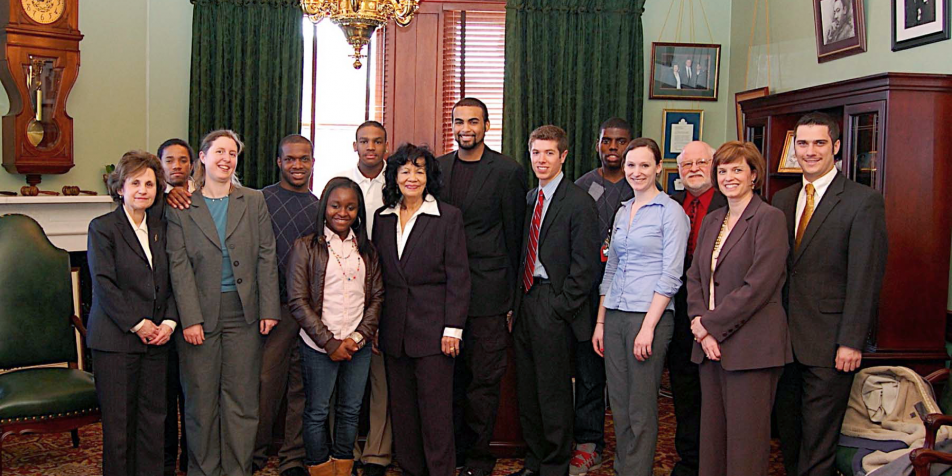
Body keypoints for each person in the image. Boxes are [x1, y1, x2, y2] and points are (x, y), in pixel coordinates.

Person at [773, 112, 888, 476]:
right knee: (788, 434)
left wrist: (852, 342)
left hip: (830, 344)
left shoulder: (861, 201)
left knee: (818, 442)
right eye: (802, 143)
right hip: (782, 342)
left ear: (836, 147)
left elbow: (865, 277)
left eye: (819, 143)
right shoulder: (781, 199)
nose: (810, 151)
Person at [166, 129, 281, 476]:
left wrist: (269, 309)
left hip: (244, 314)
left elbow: (266, 254)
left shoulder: (254, 200)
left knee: (242, 401)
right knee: (201, 403)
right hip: (199, 316)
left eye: (232, 153)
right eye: (219, 151)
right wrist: (189, 318)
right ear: (202, 157)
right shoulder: (182, 205)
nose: (226, 159)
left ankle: (237, 470)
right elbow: (178, 265)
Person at [686, 141, 791, 476]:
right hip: (709, 347)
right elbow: (695, 277)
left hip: (752, 349)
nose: (728, 177)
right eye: (722, 170)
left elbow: (758, 287)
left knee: (746, 446)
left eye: (737, 170)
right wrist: (700, 327)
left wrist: (710, 326)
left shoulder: (769, 218)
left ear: (754, 176)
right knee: (713, 441)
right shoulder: (714, 219)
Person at [437, 98, 527, 476]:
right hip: (443, 292)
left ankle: (478, 458)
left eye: (473, 121)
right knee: (448, 380)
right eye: (459, 121)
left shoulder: (507, 171)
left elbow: (515, 238)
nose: (465, 128)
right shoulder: (438, 169)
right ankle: (452, 453)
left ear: (487, 125)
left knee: (483, 381)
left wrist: (510, 299)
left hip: (488, 294)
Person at [591, 138, 689, 476]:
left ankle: (636, 471)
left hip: (650, 317)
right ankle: (623, 469)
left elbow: (671, 275)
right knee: (618, 403)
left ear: (659, 167)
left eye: (645, 165)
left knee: (641, 406)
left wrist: (648, 327)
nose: (636, 172)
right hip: (616, 314)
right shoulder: (622, 210)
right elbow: (612, 267)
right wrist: (601, 322)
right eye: (631, 165)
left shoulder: (671, 212)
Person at [372, 144, 471, 476]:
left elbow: (459, 277)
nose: (411, 177)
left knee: (436, 413)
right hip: (393, 331)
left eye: (419, 170)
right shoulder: (381, 218)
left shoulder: (447, 217)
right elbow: (378, 277)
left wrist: (453, 328)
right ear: (394, 176)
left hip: (435, 332)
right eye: (405, 170)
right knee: (403, 413)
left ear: (429, 177)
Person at [509, 125, 599, 476]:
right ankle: (534, 462)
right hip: (527, 301)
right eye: (535, 152)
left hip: (555, 304)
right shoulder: (531, 198)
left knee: (553, 392)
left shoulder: (579, 201)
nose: (541, 160)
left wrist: (562, 308)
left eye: (549, 153)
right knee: (528, 390)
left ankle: (554, 467)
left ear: (563, 156)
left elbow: (586, 266)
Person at [87, 150, 177, 476]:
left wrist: (168, 322)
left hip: (157, 340)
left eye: (150, 183)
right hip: (116, 341)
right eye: (135, 182)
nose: (143, 189)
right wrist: (139, 325)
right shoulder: (103, 228)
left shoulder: (163, 228)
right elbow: (104, 285)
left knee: (154, 422)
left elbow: (174, 280)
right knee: (120, 426)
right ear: (120, 187)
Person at [288, 177, 385, 476]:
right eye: (335, 205)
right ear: (324, 208)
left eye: (350, 207)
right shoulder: (305, 246)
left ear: (358, 212)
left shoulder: (367, 250)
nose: (342, 212)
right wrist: (330, 343)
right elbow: (297, 300)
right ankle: (319, 467)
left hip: (358, 344)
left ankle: (343, 466)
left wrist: (357, 338)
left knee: (350, 410)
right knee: (317, 412)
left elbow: (377, 298)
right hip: (318, 345)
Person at [253, 134, 320, 476]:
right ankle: (254, 453)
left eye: (303, 159)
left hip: (307, 312)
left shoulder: (319, 206)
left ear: (312, 162)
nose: (297, 165)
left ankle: (292, 458)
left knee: (302, 386)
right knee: (266, 383)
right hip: (271, 309)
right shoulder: (258, 200)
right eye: (290, 159)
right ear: (279, 162)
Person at [570, 117, 634, 475]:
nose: (612, 147)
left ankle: (630, 447)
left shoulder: (638, 184)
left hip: (632, 297)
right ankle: (589, 441)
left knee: (628, 376)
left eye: (620, 141)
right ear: (597, 144)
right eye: (606, 141)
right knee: (590, 373)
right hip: (589, 295)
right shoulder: (582, 187)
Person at [667, 141, 726, 476]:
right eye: (686, 164)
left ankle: (714, 462)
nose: (693, 169)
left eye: (701, 162)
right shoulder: (672, 204)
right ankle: (689, 460)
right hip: (677, 316)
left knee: (715, 394)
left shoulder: (730, 204)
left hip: (717, 316)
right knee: (684, 390)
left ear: (714, 164)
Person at [341, 120, 392, 476]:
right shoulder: (342, 182)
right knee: (344, 371)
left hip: (390, 284)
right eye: (364, 141)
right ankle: (345, 449)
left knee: (380, 375)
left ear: (385, 146)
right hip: (346, 286)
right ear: (354, 145)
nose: (370, 147)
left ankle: (377, 452)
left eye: (377, 141)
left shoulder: (399, 180)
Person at [157, 138, 194, 476]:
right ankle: (168, 461)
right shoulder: (153, 199)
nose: (177, 166)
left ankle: (191, 459)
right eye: (170, 160)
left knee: (193, 393)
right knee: (167, 392)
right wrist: (164, 196)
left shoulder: (206, 196)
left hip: (196, 306)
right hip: (165, 308)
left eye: (183, 160)